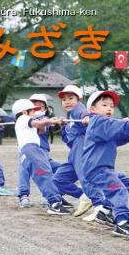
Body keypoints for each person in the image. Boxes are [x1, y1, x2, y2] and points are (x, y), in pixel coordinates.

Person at [81, 90, 129, 238]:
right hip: (96, 168)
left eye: (111, 106)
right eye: (104, 105)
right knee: (118, 190)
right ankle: (122, 223)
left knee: (124, 182)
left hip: (101, 168)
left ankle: (104, 211)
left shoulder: (103, 124)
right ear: (93, 109)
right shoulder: (97, 121)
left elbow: (119, 138)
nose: (109, 108)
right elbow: (113, 128)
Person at [13, 98, 71, 214]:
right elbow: (37, 123)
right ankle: (54, 203)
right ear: (25, 112)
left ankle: (55, 201)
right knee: (44, 174)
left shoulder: (24, 122)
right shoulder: (24, 118)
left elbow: (40, 130)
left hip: (30, 151)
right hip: (32, 149)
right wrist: (49, 121)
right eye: (32, 111)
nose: (35, 113)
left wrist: (45, 122)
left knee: (44, 174)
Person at [52, 84, 93, 218]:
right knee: (58, 179)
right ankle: (83, 196)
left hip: (81, 148)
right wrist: (63, 126)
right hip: (73, 152)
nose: (67, 102)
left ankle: (99, 205)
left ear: (79, 99)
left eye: (70, 98)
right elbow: (67, 140)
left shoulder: (78, 110)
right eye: (64, 99)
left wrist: (87, 117)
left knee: (84, 176)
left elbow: (84, 114)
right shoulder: (69, 116)